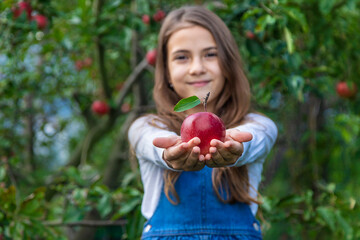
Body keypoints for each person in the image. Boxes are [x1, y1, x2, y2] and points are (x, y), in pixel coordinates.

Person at [128, 5, 277, 240]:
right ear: (166, 71)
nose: (197, 68)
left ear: (228, 63)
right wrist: (170, 154)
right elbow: (151, 144)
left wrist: (233, 149)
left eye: (210, 54)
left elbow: (251, 140)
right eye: (182, 57)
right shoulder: (146, 126)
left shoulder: (259, 125)